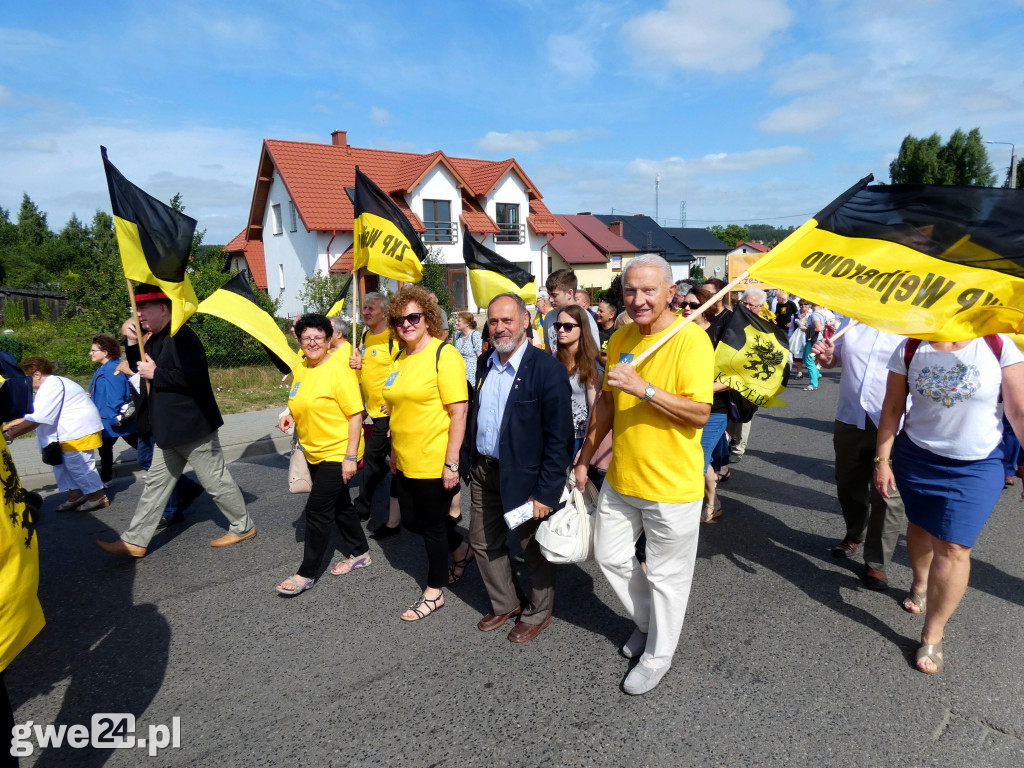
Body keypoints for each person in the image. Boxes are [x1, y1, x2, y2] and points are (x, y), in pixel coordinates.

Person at [574, 254, 714, 695]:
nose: (638, 299)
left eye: (649, 290)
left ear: (670, 293)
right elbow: (606, 406)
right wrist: (583, 457)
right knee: (610, 555)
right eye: (630, 290)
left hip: (672, 487)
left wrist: (645, 389)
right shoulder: (620, 337)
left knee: (667, 579)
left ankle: (658, 655)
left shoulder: (691, 341)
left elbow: (699, 413)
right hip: (621, 477)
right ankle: (648, 622)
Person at [874, 333, 1024, 674]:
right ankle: (921, 581)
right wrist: (882, 460)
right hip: (918, 458)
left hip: (978, 464)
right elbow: (893, 407)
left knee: (955, 547)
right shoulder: (912, 346)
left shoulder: (998, 345)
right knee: (921, 526)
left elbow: (1018, 410)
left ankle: (933, 631)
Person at [96, 284, 256, 557]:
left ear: (163, 309)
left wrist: (157, 374)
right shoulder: (156, 337)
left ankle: (243, 527)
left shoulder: (182, 337)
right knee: (155, 487)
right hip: (169, 430)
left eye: (143, 309)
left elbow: (193, 380)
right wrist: (133, 343)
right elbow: (141, 371)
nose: (138, 315)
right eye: (136, 310)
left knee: (216, 483)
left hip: (193, 428)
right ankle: (135, 540)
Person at [462, 293, 573, 642]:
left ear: (525, 321)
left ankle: (538, 612)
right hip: (485, 472)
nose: (499, 328)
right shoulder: (485, 363)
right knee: (482, 541)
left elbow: (560, 439)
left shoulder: (547, 369)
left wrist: (546, 492)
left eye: (507, 320)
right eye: (493, 321)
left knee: (531, 547)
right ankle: (507, 602)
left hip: (526, 480)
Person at [383, 285, 470, 621]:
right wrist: (393, 452)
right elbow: (396, 411)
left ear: (428, 318)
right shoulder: (399, 358)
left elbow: (458, 412)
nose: (406, 324)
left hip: (434, 459)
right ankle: (461, 547)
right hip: (404, 458)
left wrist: (452, 463)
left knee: (431, 527)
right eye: (400, 319)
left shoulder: (442, 354)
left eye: (413, 317)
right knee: (414, 522)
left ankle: (434, 593)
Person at [275, 314, 368, 596]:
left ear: (329, 340)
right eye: (307, 338)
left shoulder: (339, 371)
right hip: (313, 451)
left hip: (339, 451)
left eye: (318, 337)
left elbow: (355, 415)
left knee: (317, 512)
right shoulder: (303, 368)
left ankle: (306, 573)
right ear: (300, 342)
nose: (312, 343)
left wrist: (350, 458)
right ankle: (360, 552)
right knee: (340, 505)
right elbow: (300, 398)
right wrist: (290, 413)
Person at [812, 325, 907, 591]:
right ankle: (854, 533)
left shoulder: (915, 324)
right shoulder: (853, 319)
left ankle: (876, 563)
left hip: (895, 424)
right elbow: (832, 361)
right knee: (848, 484)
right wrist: (827, 355)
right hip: (851, 417)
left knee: (888, 495)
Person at [3, 358, 108, 513]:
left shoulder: (51, 386)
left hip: (79, 430)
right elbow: (33, 414)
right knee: (65, 466)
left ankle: (98, 497)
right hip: (71, 431)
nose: (24, 383)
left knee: (79, 466)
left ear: (37, 374)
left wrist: (9, 435)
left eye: (26, 378)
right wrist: (8, 426)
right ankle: (76, 495)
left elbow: (36, 419)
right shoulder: (49, 385)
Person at [350, 292, 400, 535]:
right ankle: (381, 477)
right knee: (379, 457)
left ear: (384, 312)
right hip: (369, 406)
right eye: (364, 308)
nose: (365, 312)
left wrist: (392, 402)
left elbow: (399, 371)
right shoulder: (365, 335)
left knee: (371, 455)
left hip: (386, 409)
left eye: (371, 308)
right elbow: (367, 369)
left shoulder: (393, 338)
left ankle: (362, 507)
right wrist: (359, 365)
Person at [679, 287, 730, 522]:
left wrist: (698, 388)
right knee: (697, 457)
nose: (687, 308)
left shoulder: (719, 336)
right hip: (684, 407)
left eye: (693, 305)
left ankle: (704, 503)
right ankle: (713, 501)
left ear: (706, 308)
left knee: (698, 459)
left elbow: (731, 380)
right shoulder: (680, 334)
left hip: (715, 410)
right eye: (684, 305)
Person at [88, 335, 138, 486]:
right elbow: (102, 391)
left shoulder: (113, 369)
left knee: (140, 445)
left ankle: (157, 467)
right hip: (107, 418)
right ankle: (106, 478)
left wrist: (113, 418)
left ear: (106, 352)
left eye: (93, 350)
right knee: (105, 448)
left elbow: (116, 396)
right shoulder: (105, 367)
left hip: (113, 419)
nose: (90, 353)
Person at [554, 304, 602, 457]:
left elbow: (594, 408)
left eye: (568, 326)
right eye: (558, 325)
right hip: (554, 433)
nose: (561, 330)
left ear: (582, 328)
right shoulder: (553, 359)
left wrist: (586, 448)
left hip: (579, 437)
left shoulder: (592, 363)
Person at [542, 269, 601, 352]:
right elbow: (548, 348)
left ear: (569, 293)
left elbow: (594, 351)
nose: (550, 300)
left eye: (554, 295)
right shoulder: (549, 316)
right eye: (549, 295)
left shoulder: (584, 316)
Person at [453, 312, 483, 388]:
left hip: (472, 375)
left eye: (459, 321)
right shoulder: (458, 335)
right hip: (460, 372)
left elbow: (480, 356)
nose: (456, 323)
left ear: (467, 323)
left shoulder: (475, 335)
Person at [803, 303, 826, 391]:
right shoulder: (821, 313)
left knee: (809, 359)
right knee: (807, 359)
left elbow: (819, 328)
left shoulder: (815, 314)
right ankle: (817, 375)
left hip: (813, 339)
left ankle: (813, 384)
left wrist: (805, 328)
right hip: (816, 339)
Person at [789, 301, 811, 379]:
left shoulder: (812, 314)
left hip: (809, 336)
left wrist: (807, 328)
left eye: (805, 304)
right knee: (797, 354)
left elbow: (817, 327)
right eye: (801, 304)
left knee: (810, 355)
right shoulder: (795, 315)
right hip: (797, 337)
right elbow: (791, 328)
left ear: (809, 305)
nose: (803, 306)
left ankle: (812, 372)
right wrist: (790, 337)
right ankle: (799, 372)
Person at [595, 297, 618, 366]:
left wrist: (595, 358)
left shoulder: (617, 333)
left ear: (611, 315)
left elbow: (615, 358)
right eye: (597, 310)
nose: (597, 313)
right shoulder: (594, 329)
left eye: (601, 311)